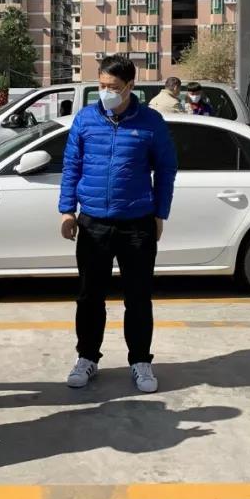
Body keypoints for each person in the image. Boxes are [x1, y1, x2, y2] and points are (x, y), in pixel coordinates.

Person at [58, 56, 177, 394]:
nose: (106, 92)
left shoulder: (151, 122)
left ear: (130, 87)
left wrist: (159, 213)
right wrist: (67, 210)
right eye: (101, 85)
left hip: (137, 223)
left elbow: (166, 169)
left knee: (138, 297)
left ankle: (140, 361)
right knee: (89, 296)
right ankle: (87, 357)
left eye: (113, 87)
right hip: (93, 222)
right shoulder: (85, 119)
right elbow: (71, 165)